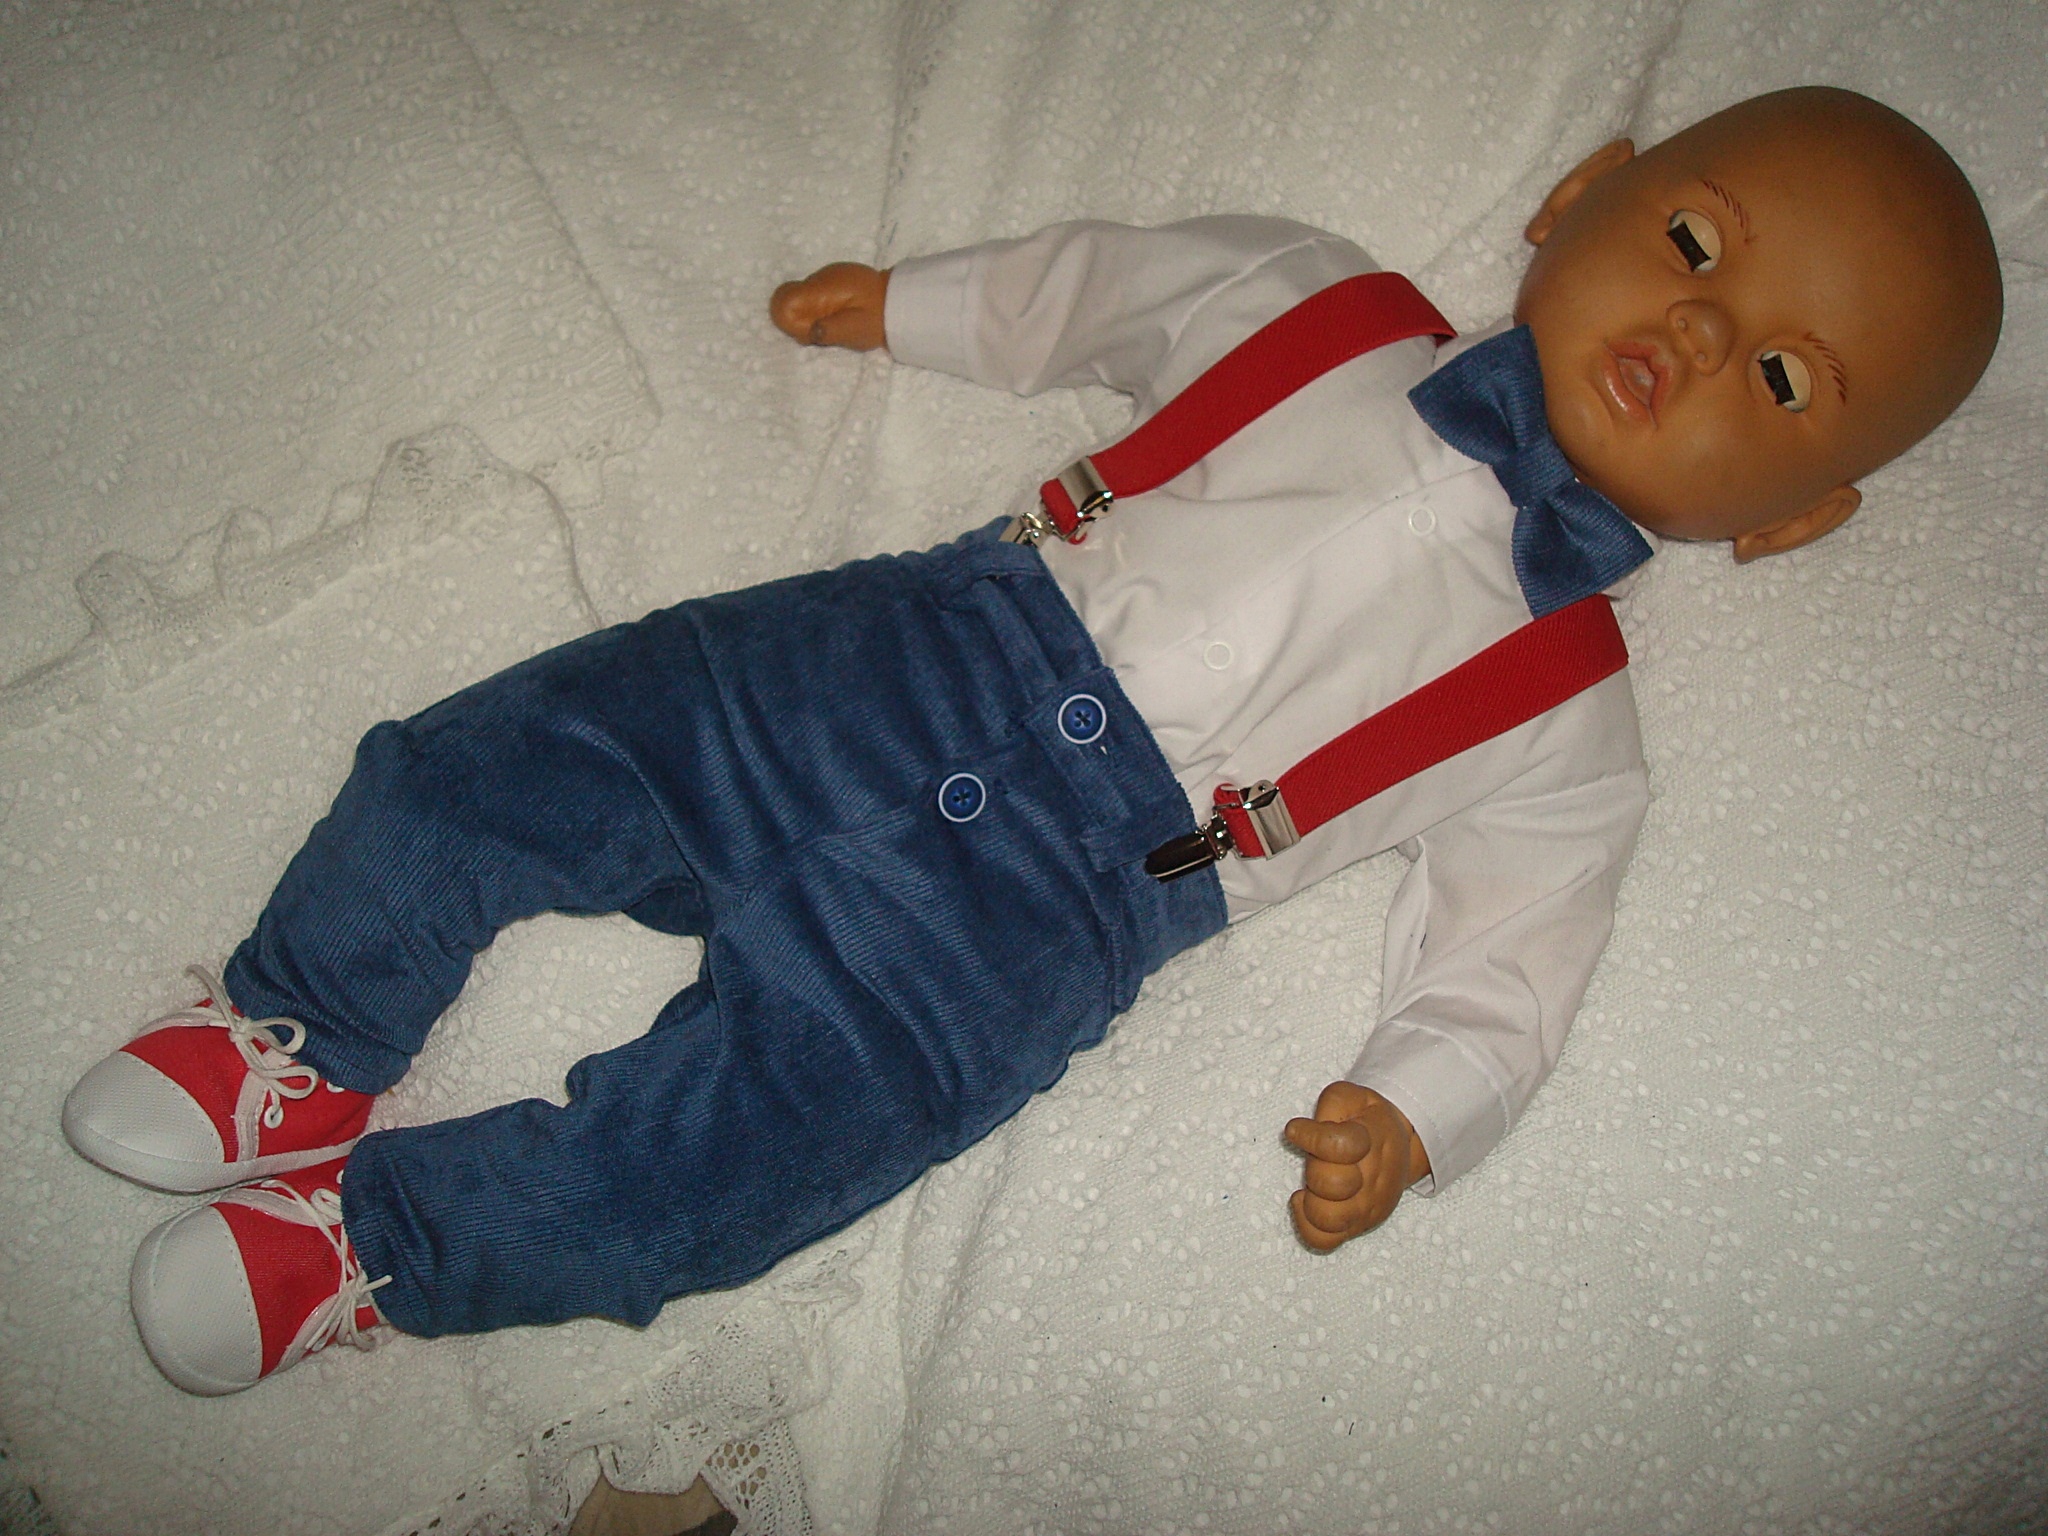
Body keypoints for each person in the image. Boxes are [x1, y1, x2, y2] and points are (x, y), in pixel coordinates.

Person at [62, 87, 2000, 1395]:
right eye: (1693, 239)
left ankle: (379, 1248)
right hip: (903, 647)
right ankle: (299, 1025)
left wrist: (1418, 1110)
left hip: (1046, 918)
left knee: (732, 1167)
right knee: (527, 748)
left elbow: (1518, 955)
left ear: (1789, 521)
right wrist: (908, 310)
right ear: (1582, 192)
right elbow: (1098, 288)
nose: (1698, 329)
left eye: (1778, 374)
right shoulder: (1318, 300)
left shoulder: (1567, 725)